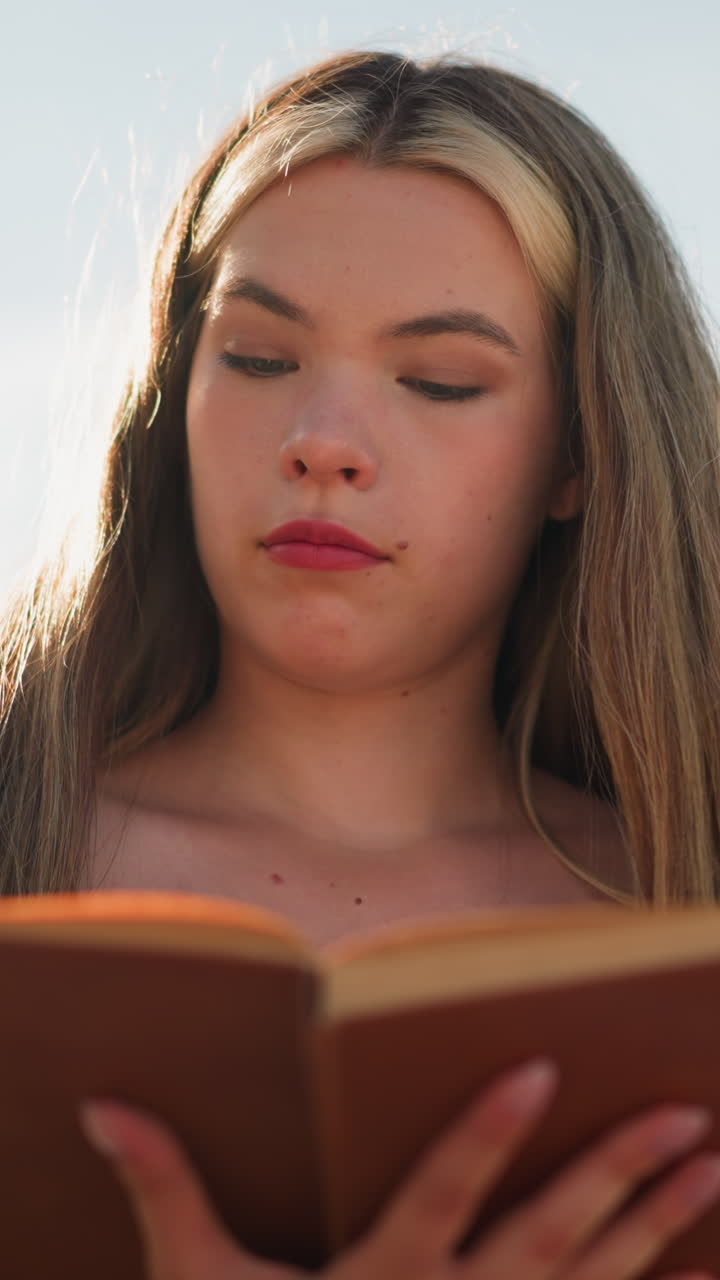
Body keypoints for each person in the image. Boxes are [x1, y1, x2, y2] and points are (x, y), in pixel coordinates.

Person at [4, 47, 720, 1278]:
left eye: (440, 380)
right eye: (261, 357)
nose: (322, 441)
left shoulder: (681, 908)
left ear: (579, 454)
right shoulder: (20, 828)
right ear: (175, 393)